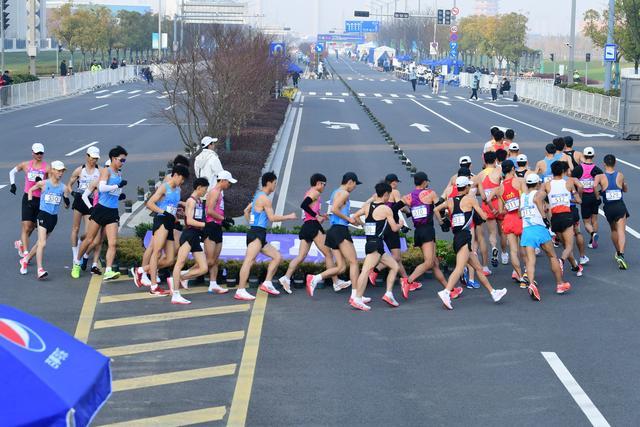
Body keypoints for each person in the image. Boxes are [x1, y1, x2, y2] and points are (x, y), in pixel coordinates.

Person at [434, 176, 507, 310]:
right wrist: (485, 214)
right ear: (466, 187)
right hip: (465, 237)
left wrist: (442, 221)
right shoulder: (470, 199)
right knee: (459, 268)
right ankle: (446, 292)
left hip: (457, 237)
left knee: (478, 268)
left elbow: (435, 209)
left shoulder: (450, 201)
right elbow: (484, 216)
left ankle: (493, 292)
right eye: (469, 186)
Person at [279, 173, 350, 294]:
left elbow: (309, 209)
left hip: (306, 226)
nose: (324, 187)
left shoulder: (309, 192)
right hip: (313, 226)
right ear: (318, 183)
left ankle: (286, 278)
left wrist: (322, 215)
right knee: (328, 254)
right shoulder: (315, 193)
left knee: (301, 256)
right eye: (324, 184)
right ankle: (336, 282)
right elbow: (304, 205)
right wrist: (317, 216)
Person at [237, 172, 297, 300]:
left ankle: (267, 283)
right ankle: (240, 290)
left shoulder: (257, 196)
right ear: (269, 182)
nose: (275, 186)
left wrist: (251, 225)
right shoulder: (264, 199)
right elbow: (272, 218)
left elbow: (246, 211)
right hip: (257, 233)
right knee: (249, 261)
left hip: (257, 232)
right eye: (275, 183)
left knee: (277, 257)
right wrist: (289, 217)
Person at [71, 146, 128, 280]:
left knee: (113, 243)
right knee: (90, 239)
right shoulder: (105, 171)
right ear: (114, 159)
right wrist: (117, 186)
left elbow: (113, 192)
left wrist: (119, 194)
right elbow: (102, 187)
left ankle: (108, 270)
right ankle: (77, 263)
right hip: (100, 209)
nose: (123, 163)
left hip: (112, 211)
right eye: (122, 160)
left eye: (124, 160)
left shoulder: (119, 174)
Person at [400, 172, 459, 300]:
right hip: (427, 230)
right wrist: (443, 221)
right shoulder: (430, 193)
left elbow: (397, 207)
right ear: (424, 182)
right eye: (427, 181)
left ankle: (450, 290)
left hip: (418, 232)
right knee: (428, 263)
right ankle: (408, 281)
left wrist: (409, 213)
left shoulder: (408, 196)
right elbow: (439, 208)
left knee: (434, 263)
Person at [306, 172, 363, 303]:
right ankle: (355, 296)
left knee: (341, 267)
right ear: (350, 182)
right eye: (355, 184)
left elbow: (335, 211)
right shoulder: (344, 193)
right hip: (340, 230)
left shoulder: (335, 192)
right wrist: (348, 218)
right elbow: (335, 210)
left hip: (333, 231)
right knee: (354, 262)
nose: (355, 187)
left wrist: (356, 221)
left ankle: (314, 279)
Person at [351, 182, 402, 310]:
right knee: (366, 271)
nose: (389, 197)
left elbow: (355, 216)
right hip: (376, 244)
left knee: (395, 266)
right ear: (385, 194)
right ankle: (357, 298)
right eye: (388, 195)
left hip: (373, 243)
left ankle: (388, 294)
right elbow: (394, 229)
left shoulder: (367, 207)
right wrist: (400, 224)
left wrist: (363, 225)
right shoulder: (386, 209)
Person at [519, 174, 570, 300]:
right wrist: (543, 217)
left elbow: (520, 214)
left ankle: (531, 284)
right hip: (539, 229)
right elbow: (537, 200)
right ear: (537, 183)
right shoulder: (539, 192)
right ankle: (559, 284)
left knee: (530, 261)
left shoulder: (522, 196)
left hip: (527, 230)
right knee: (552, 256)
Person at [144, 164, 190, 295]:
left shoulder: (178, 190)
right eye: (181, 178)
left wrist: (177, 213)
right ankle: (153, 286)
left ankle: (142, 270)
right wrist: (163, 212)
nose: (182, 182)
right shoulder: (165, 187)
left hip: (170, 222)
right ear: (175, 175)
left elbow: (173, 206)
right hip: (162, 221)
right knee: (157, 252)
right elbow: (150, 203)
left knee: (170, 259)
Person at [19, 161, 70, 279]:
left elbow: (66, 205)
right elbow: (31, 190)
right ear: (52, 170)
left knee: (39, 244)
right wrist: (30, 202)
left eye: (62, 171)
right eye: (58, 170)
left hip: (53, 218)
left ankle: (25, 260)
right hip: (43, 215)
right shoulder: (44, 183)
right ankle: (40, 270)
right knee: (42, 243)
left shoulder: (63, 188)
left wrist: (67, 202)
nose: (60, 173)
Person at [169, 178, 210, 305]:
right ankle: (175, 294)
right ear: (199, 187)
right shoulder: (191, 201)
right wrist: (205, 225)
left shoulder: (198, 201)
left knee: (203, 268)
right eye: (205, 189)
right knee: (179, 263)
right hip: (189, 235)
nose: (206, 191)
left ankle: (179, 278)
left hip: (195, 236)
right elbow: (190, 221)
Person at [543, 161, 583, 277]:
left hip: (554, 218)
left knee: (565, 246)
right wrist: (568, 199)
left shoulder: (547, 184)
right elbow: (579, 200)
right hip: (566, 215)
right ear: (562, 171)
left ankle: (575, 266)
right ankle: (561, 261)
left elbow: (541, 197)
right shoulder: (569, 182)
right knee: (569, 245)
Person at [368, 174, 410, 287]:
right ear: (393, 182)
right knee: (396, 257)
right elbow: (400, 206)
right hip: (392, 226)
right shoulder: (394, 191)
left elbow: (367, 204)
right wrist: (408, 211)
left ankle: (407, 281)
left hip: (382, 226)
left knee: (398, 258)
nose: (396, 184)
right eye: (396, 182)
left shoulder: (377, 194)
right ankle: (375, 271)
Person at [9, 143, 49, 258]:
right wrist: (13, 185)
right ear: (32, 153)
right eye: (37, 153)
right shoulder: (26, 165)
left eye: (41, 153)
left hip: (41, 199)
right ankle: (26, 253)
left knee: (33, 227)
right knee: (26, 226)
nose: (39, 155)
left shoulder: (47, 167)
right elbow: (12, 172)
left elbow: (52, 181)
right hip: (28, 197)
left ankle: (21, 243)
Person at [491, 161, 526, 284]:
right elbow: (526, 198)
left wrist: (508, 208)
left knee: (513, 250)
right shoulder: (520, 181)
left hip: (509, 219)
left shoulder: (500, 188)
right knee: (524, 247)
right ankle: (527, 272)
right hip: (520, 217)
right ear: (512, 169)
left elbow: (500, 210)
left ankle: (519, 274)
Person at [66, 146, 101, 270]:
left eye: (96, 158)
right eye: (92, 158)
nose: (94, 161)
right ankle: (75, 253)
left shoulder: (100, 171)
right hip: (80, 200)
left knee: (88, 233)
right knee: (75, 228)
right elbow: (69, 185)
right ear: (87, 156)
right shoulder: (79, 170)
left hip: (91, 202)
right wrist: (72, 193)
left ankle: (81, 243)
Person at [203, 170, 237, 295]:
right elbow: (210, 211)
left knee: (215, 260)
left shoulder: (220, 193)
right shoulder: (214, 192)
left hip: (217, 226)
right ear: (222, 180)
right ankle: (183, 275)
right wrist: (224, 219)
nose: (229, 185)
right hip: (211, 227)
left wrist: (222, 222)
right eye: (228, 182)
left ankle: (213, 284)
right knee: (210, 260)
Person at [595, 154, 629, 269]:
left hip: (609, 208)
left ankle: (618, 251)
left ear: (604, 164)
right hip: (619, 206)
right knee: (621, 231)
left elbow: (594, 187)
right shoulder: (620, 175)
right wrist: (624, 186)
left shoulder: (600, 177)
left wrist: (598, 196)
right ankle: (621, 254)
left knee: (614, 230)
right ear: (615, 163)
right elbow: (624, 189)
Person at [478, 151, 506, 268]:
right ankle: (504, 254)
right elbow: (504, 186)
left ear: (484, 161)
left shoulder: (479, 175)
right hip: (498, 203)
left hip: (486, 205)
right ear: (495, 160)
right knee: (503, 232)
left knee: (492, 232)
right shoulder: (498, 171)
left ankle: (494, 248)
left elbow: (479, 193)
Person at [572, 147, 603, 249]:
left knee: (586, 222)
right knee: (594, 220)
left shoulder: (578, 169)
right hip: (594, 196)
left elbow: (573, 183)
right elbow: (602, 184)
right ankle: (592, 241)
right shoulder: (597, 169)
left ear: (583, 156)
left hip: (584, 197)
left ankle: (593, 234)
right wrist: (598, 193)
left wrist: (578, 196)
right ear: (593, 156)